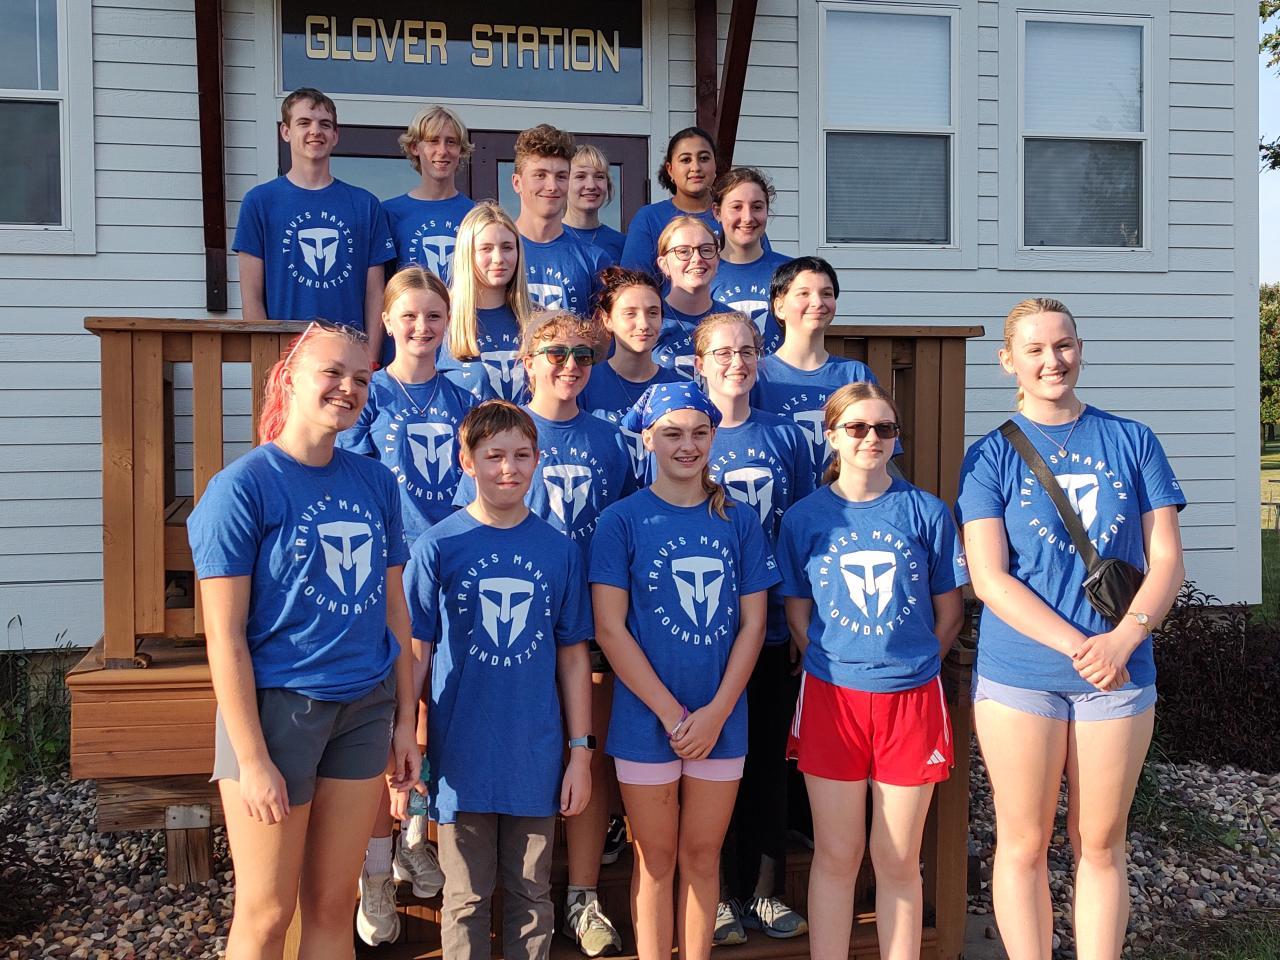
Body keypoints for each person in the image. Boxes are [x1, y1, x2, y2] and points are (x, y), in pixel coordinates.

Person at [955, 299, 1186, 960]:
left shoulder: (1132, 440)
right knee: (1023, 842)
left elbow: (1167, 560)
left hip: (1119, 671)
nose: (1052, 360)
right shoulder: (990, 455)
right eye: (1035, 350)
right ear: (1009, 361)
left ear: (1080, 349)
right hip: (1021, 674)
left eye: (1063, 345)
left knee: (1101, 842)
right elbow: (989, 577)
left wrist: (1124, 639)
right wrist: (1080, 646)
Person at [187, 320, 419, 959]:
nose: (348, 388)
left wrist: (404, 720)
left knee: (333, 904)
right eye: (333, 373)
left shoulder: (376, 482)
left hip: (364, 708)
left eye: (361, 379)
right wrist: (252, 759)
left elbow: (394, 610)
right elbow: (224, 637)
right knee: (266, 913)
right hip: (278, 712)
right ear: (289, 380)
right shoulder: (242, 488)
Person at [590, 381, 780, 960]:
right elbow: (610, 629)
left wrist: (716, 712)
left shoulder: (738, 520)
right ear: (648, 439)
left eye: (700, 433)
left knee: (702, 856)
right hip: (647, 718)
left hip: (721, 718)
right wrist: (673, 714)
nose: (687, 445)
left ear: (714, 437)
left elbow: (754, 625)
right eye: (672, 434)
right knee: (655, 859)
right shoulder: (621, 520)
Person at [778, 381, 967, 960]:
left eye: (884, 428)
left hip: (911, 699)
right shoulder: (805, 517)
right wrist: (835, 661)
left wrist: (913, 664)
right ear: (832, 435)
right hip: (833, 698)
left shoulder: (926, 512)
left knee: (898, 859)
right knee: (838, 855)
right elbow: (797, 612)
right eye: (857, 427)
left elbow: (950, 611)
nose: (871, 438)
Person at [403, 400, 595, 960]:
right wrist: (407, 737)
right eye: (493, 456)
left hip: (535, 750)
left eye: (521, 455)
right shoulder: (437, 546)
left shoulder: (559, 551)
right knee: (465, 897)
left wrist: (580, 753)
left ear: (537, 460)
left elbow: (573, 657)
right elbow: (417, 652)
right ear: (466, 462)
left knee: (532, 893)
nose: (508, 468)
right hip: (460, 751)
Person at [338, 267, 479, 944]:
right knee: (386, 716)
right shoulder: (372, 394)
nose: (422, 328)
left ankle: (415, 838)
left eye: (434, 316)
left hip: (452, 562)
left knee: (431, 709)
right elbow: (354, 483)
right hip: (390, 571)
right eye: (410, 316)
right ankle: (374, 870)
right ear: (388, 322)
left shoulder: (465, 397)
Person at [691, 313, 813, 945]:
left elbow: (803, 528)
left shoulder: (785, 435)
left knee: (766, 758)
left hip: (768, 627)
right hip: (701, 629)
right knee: (708, 762)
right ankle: (714, 896)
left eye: (746, 350)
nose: (736, 362)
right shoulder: (686, 433)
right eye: (722, 352)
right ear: (699, 364)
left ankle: (764, 890)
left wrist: (797, 614)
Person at [233, 87, 395, 365]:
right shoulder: (259, 202)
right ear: (286, 132)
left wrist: (370, 359)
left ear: (335, 135)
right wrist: (267, 361)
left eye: (325, 124)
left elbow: (375, 295)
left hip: (349, 358)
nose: (315, 131)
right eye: (304, 122)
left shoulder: (365, 205)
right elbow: (251, 297)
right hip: (286, 358)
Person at [752, 257, 883, 483]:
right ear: (779, 307)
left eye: (826, 294)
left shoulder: (855, 375)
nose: (817, 302)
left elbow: (878, 449)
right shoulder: (757, 375)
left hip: (842, 499)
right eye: (804, 293)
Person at [379, 105, 477, 368]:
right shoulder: (390, 213)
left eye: (451, 142)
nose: (442, 151)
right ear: (415, 147)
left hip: (461, 350)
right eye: (433, 141)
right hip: (404, 352)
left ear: (461, 150)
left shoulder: (476, 215)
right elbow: (378, 290)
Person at [578, 267, 682, 484]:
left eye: (652, 313)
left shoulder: (679, 386)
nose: (643, 324)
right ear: (607, 320)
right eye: (630, 313)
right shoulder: (584, 382)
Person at [437, 201, 533, 402]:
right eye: (486, 248)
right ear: (467, 253)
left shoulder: (538, 320)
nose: (498, 258)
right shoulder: (438, 317)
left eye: (507, 247)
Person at [512, 124, 611, 315]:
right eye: (540, 175)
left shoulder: (594, 259)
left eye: (561, 176)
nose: (552, 186)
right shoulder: (493, 253)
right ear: (517, 183)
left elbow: (604, 331)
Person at [709, 168, 791, 355]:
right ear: (717, 212)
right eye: (736, 207)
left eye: (757, 207)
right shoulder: (702, 271)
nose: (747, 218)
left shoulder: (792, 272)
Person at [620, 127, 722, 277]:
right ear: (670, 169)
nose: (696, 167)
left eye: (704, 158)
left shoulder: (735, 216)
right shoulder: (649, 218)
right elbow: (633, 283)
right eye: (685, 160)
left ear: (715, 165)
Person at [653, 216, 722, 377]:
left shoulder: (735, 322)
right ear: (664, 264)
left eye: (706, 250)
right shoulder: (648, 322)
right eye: (683, 251)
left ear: (717, 260)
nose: (697, 259)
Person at [564, 144, 627, 264]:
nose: (591, 185)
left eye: (599, 177)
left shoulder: (622, 244)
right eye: (580, 176)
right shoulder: (548, 239)